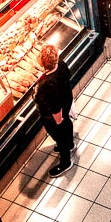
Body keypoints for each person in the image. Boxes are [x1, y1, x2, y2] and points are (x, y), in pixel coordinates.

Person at [35, 44, 74, 176]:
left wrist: (58, 120)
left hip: (55, 114)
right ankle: (70, 144)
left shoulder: (47, 84)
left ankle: (65, 162)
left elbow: (54, 104)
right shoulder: (61, 64)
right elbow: (68, 77)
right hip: (66, 102)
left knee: (59, 134)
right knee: (67, 123)